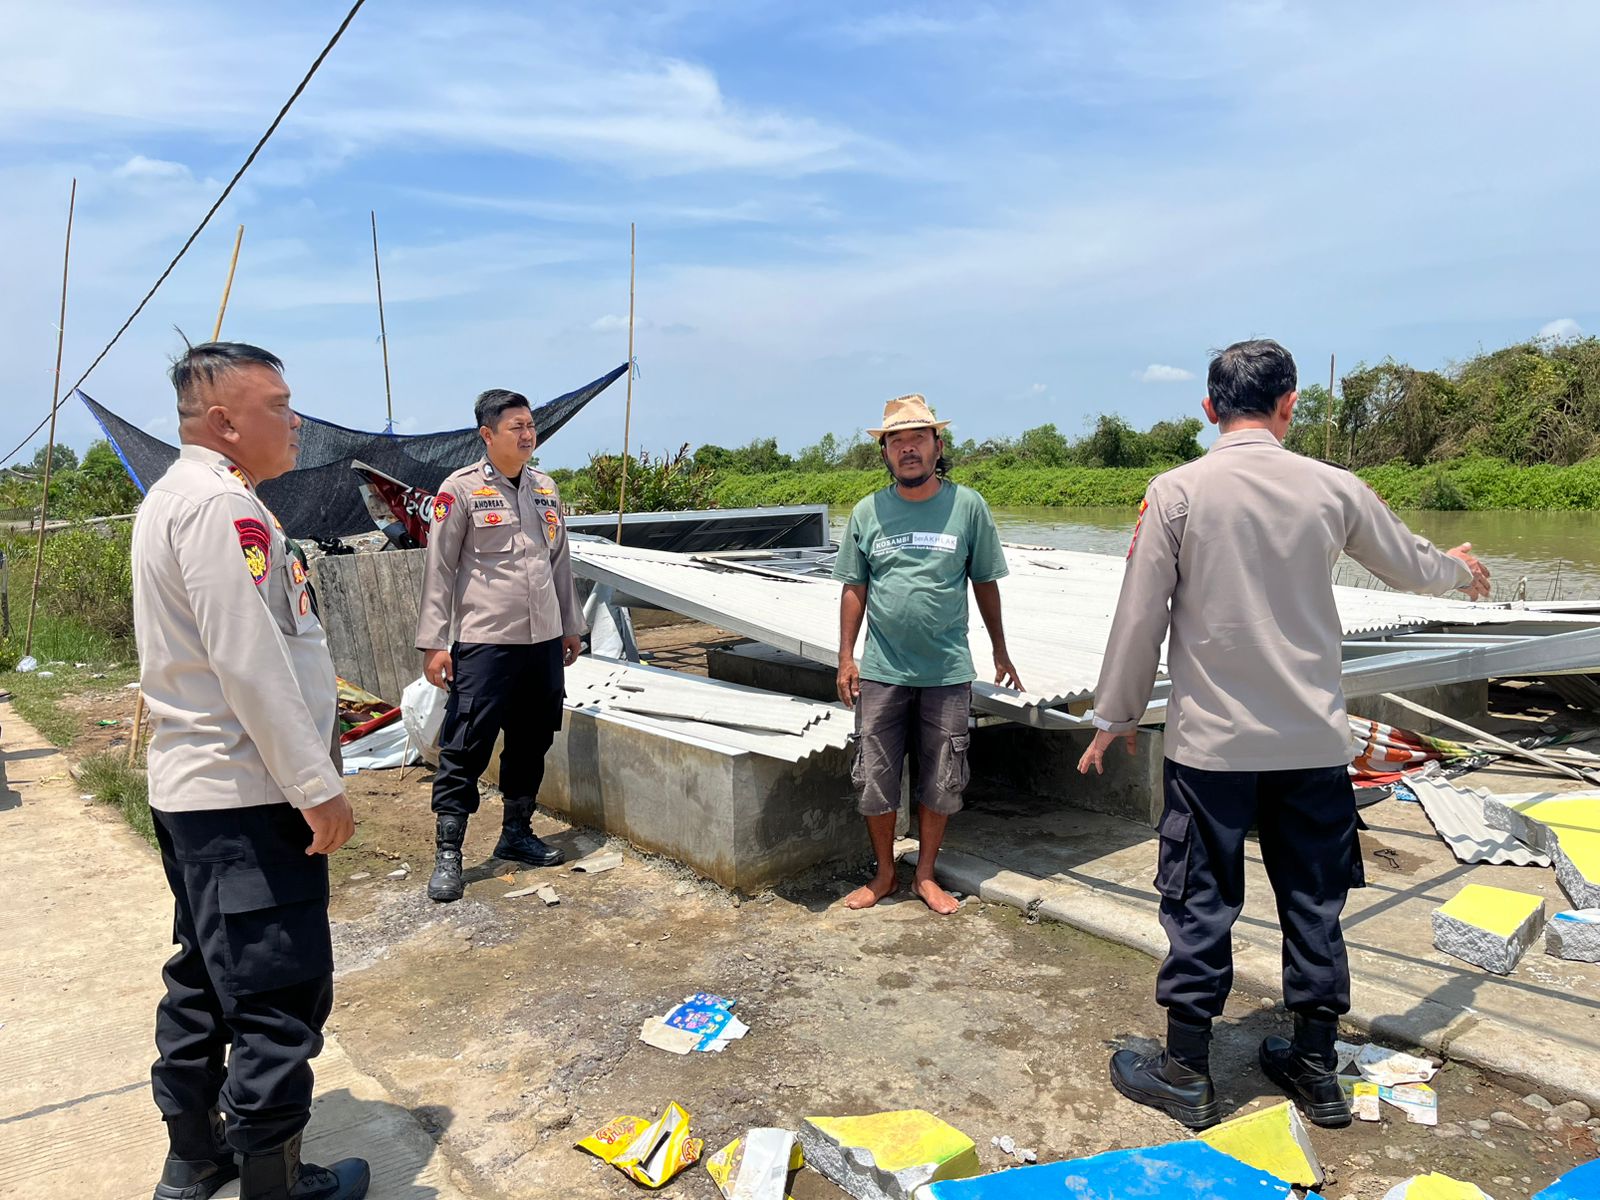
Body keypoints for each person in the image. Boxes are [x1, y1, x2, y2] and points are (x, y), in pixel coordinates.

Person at [1078, 339, 1491, 1131]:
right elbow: (1409, 564)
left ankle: (1187, 1072)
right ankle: (1314, 1065)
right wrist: (1458, 567)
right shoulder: (1334, 489)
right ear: (1290, 404)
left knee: (1200, 904)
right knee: (1315, 902)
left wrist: (1117, 717)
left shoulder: (1176, 493)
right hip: (1311, 746)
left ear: (1208, 409)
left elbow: (1140, 618)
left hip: (1214, 750)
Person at [132, 342, 368, 1199]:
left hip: (203, 797)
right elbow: (251, 660)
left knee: (204, 975)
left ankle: (194, 1159)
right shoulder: (219, 509)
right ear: (225, 422)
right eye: (279, 404)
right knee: (277, 995)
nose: (296, 419)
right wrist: (318, 786)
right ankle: (274, 1184)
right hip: (247, 797)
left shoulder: (183, 498)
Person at [834, 394, 1023, 915]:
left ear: (939, 446)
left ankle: (925, 875)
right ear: (886, 454)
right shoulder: (867, 512)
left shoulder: (968, 506)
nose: (908, 449)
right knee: (875, 775)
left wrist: (1000, 648)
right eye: (897, 441)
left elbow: (985, 582)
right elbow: (854, 587)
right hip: (881, 670)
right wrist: (847, 657)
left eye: (918, 438)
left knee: (943, 775)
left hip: (946, 670)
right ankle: (885, 874)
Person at [416, 388, 584, 903]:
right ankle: (450, 853)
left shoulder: (545, 488)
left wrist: (571, 625)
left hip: (542, 642)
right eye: (517, 426)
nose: (528, 434)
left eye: (531, 425)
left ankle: (517, 833)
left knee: (533, 738)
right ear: (487, 434)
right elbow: (439, 568)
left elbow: (560, 562)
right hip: (486, 641)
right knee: (466, 744)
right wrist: (434, 642)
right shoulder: (459, 490)